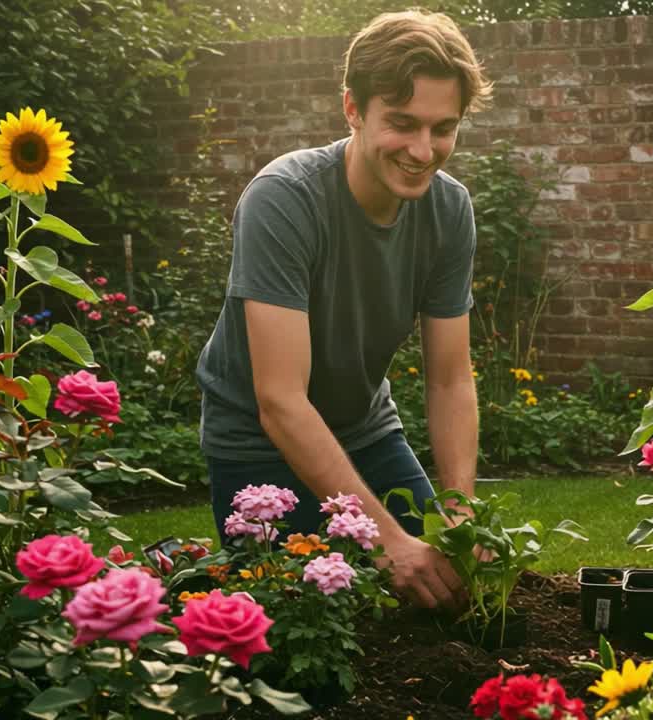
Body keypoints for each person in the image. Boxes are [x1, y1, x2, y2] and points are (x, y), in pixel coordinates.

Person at [194, 9, 493, 611]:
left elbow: (450, 378)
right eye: (402, 123)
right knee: (309, 622)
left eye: (443, 128)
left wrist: (460, 511)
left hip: (365, 430)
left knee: (449, 594)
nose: (423, 150)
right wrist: (387, 540)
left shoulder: (448, 209)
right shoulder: (285, 199)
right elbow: (281, 401)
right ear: (353, 109)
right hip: (256, 443)